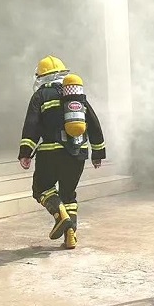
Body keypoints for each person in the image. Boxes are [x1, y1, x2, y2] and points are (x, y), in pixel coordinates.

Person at [18, 55, 106, 249]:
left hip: (51, 152)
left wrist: (25, 152)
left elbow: (32, 125)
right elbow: (93, 123)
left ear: (41, 76)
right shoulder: (75, 95)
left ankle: (60, 216)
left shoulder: (41, 95)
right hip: (77, 152)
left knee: (41, 189)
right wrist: (98, 153)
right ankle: (70, 235)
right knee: (69, 194)